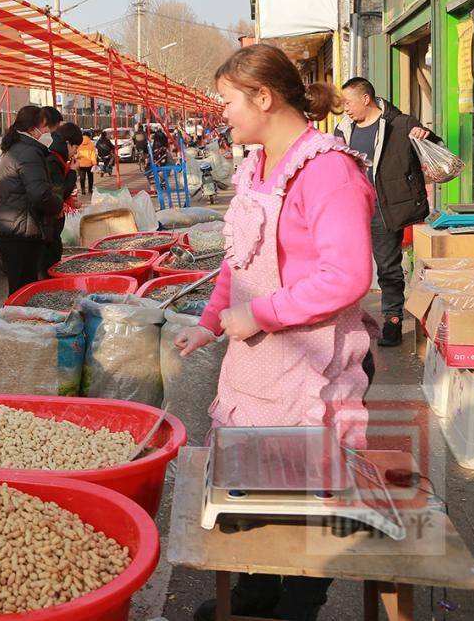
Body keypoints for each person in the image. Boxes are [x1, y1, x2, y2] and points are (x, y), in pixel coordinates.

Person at [174, 44, 374, 621]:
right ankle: (258, 593)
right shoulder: (254, 165)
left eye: (229, 101)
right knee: (260, 489)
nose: (224, 114)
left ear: (264, 98)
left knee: (306, 499)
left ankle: (299, 603)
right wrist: (211, 323)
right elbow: (239, 264)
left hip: (310, 367)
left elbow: (348, 276)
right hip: (257, 365)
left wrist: (259, 315)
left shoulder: (328, 171)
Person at [335, 77, 435, 348]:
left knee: (388, 268)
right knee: (344, 266)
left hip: (383, 207)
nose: (345, 108)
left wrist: (423, 133)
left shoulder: (399, 124)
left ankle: (392, 320)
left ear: (365, 98)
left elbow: (433, 146)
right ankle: (345, 322)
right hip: (351, 209)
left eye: (348, 102)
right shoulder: (343, 129)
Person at [0, 105, 64, 293]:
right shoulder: (28, 152)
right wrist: (58, 205)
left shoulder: (18, 148)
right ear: (32, 129)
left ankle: (17, 319)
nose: (47, 132)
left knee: (19, 285)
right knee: (23, 288)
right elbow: (39, 193)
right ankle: (16, 321)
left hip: (13, 224)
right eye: (45, 127)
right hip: (19, 228)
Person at [43, 122, 83, 268]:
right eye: (75, 147)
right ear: (67, 143)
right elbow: (60, 193)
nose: (75, 152)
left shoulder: (55, 157)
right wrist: (72, 172)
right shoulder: (53, 161)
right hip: (48, 226)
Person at [75, 130, 97, 194]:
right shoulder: (91, 144)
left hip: (81, 163)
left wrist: (77, 157)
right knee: (90, 177)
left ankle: (83, 190)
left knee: (82, 178)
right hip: (89, 164)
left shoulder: (79, 143)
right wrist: (94, 163)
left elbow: (76, 153)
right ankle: (90, 190)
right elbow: (93, 155)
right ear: (89, 136)